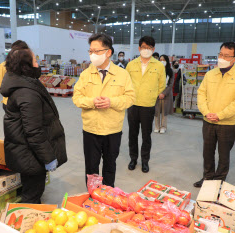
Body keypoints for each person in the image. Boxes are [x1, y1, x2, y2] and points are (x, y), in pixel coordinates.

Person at [0, 48, 67, 203]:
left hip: (25, 152)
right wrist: (48, 158)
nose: (38, 64)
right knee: (32, 195)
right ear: (26, 66)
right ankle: (28, 224)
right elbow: (34, 131)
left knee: (31, 190)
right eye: (35, 61)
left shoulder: (23, 84)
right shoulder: (27, 93)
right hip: (30, 156)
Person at [72, 34, 135, 187]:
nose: (93, 55)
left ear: (108, 52)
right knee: (91, 168)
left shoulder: (122, 74)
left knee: (110, 166)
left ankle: (108, 197)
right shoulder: (86, 74)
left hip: (112, 129)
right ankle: (93, 198)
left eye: (97, 51)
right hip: (91, 129)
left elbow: (130, 97)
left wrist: (111, 102)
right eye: (90, 51)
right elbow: (77, 98)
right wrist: (92, 102)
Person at [194, 42, 235, 188]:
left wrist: (221, 115)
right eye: (220, 54)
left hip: (227, 123)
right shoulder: (210, 73)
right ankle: (207, 178)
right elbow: (201, 94)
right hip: (208, 120)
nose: (222, 58)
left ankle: (218, 183)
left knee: (224, 155)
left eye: (226, 56)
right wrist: (206, 112)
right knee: (207, 152)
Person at [126, 36, 166, 173]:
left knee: (146, 135)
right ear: (139, 48)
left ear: (153, 49)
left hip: (148, 105)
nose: (146, 50)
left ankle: (144, 161)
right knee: (132, 134)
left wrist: (151, 94)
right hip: (132, 104)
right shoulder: (131, 65)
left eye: (149, 48)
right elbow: (125, 83)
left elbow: (162, 85)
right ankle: (133, 159)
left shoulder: (159, 66)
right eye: (144, 47)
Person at [0, 40, 29, 110]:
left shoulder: (4, 65)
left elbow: (0, 85)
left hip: (9, 101)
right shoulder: (29, 65)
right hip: (26, 101)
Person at [154, 55, 174, 134]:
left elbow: (171, 84)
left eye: (164, 60)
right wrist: (158, 93)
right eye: (160, 59)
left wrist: (164, 93)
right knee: (156, 111)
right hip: (157, 94)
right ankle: (157, 126)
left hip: (166, 95)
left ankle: (163, 127)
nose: (162, 61)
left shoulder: (170, 71)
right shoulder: (156, 70)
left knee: (164, 112)